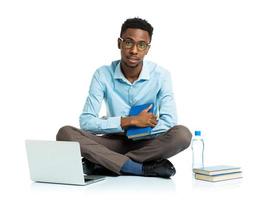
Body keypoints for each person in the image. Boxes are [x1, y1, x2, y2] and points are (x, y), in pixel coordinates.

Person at [56, 17, 192, 178]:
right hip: (113, 143)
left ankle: (106, 163)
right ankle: (137, 168)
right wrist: (130, 121)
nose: (134, 50)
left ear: (147, 49)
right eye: (128, 42)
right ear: (119, 43)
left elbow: (169, 122)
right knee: (65, 134)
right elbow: (86, 122)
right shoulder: (102, 74)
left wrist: (139, 129)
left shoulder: (161, 75)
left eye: (141, 45)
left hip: (148, 144)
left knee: (182, 135)